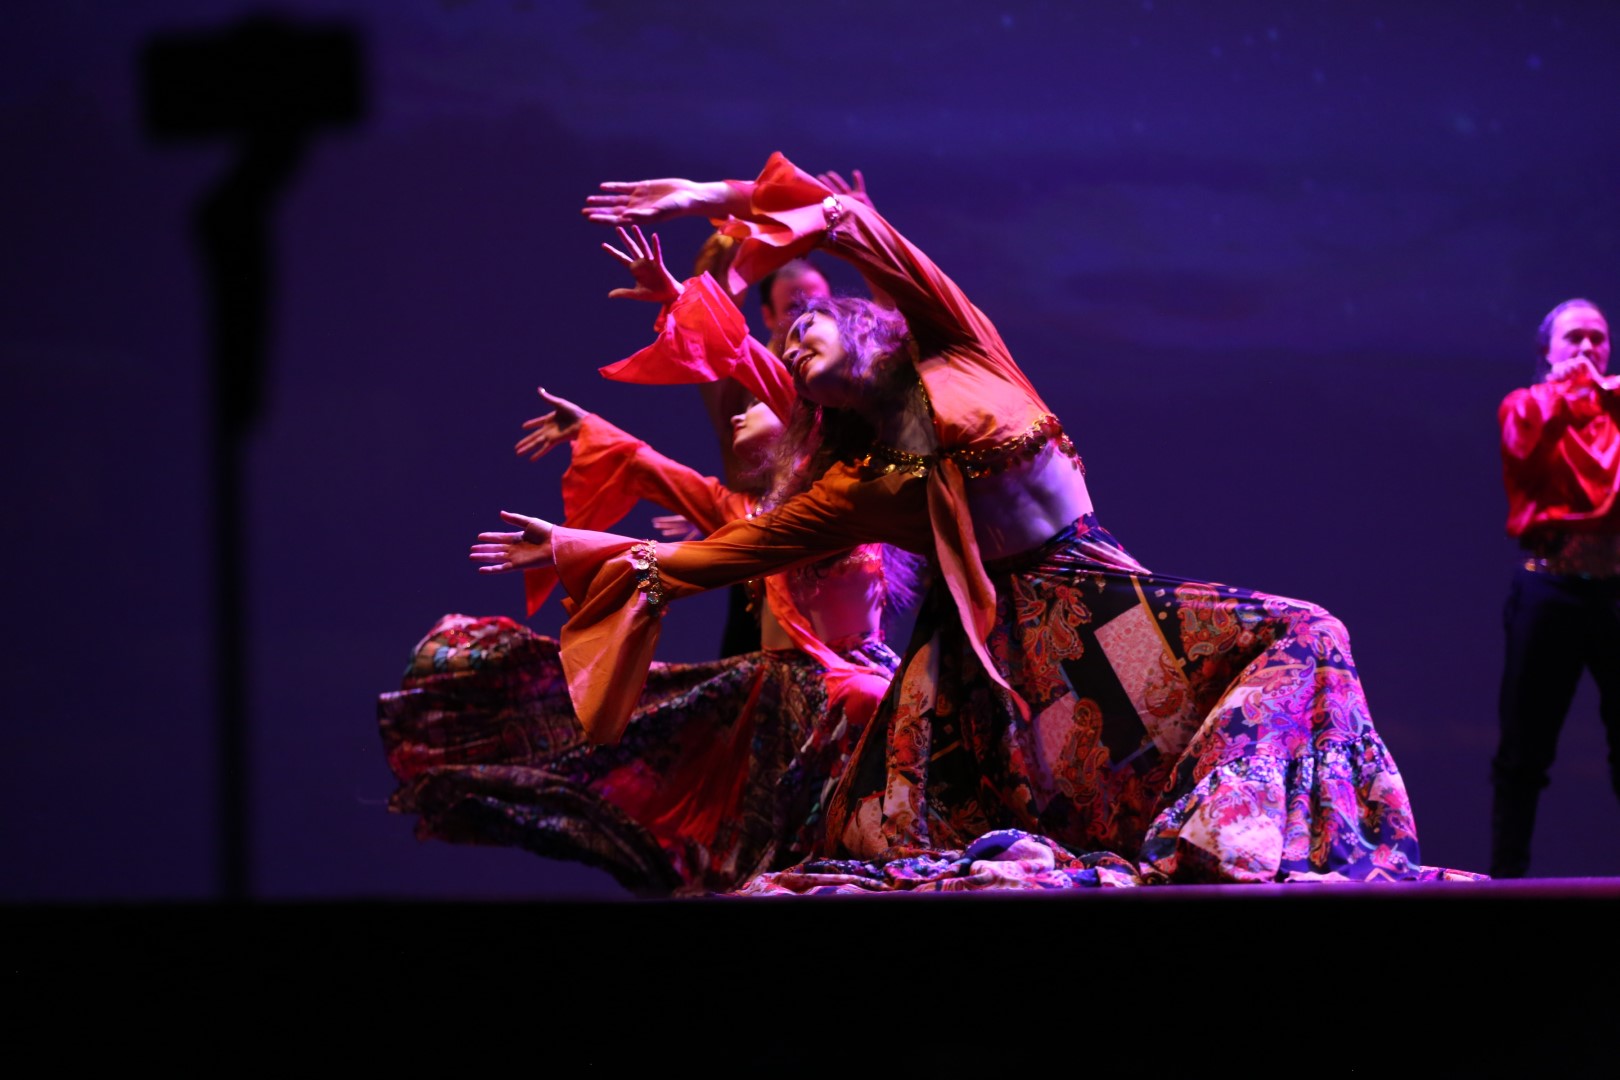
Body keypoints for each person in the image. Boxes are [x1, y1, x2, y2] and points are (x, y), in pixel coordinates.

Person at [472, 152, 1473, 889]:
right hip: (1015, 637)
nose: (798, 338)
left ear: (863, 324)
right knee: (1008, 805)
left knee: (1297, 637)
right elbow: (743, 543)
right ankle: (1208, 849)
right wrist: (606, 558)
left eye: (810, 322)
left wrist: (714, 199)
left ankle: (1259, 840)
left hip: (1100, 589)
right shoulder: (863, 480)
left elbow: (852, 224)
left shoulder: (956, 347)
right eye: (790, 349)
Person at [380, 228, 917, 896]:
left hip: (848, 681)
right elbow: (660, 473)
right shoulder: (753, 509)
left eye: (762, 403)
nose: (747, 411)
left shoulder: (853, 477)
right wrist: (587, 450)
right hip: (787, 691)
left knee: (867, 744)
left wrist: (681, 294)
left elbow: (761, 366)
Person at [1493, 298, 1619, 878]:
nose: (1587, 347)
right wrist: (1564, 392)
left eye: (1598, 337)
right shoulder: (1526, 405)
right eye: (1574, 337)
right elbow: (1522, 451)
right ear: (1547, 351)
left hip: (1616, 591)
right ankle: (1506, 882)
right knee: (1524, 749)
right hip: (1550, 588)